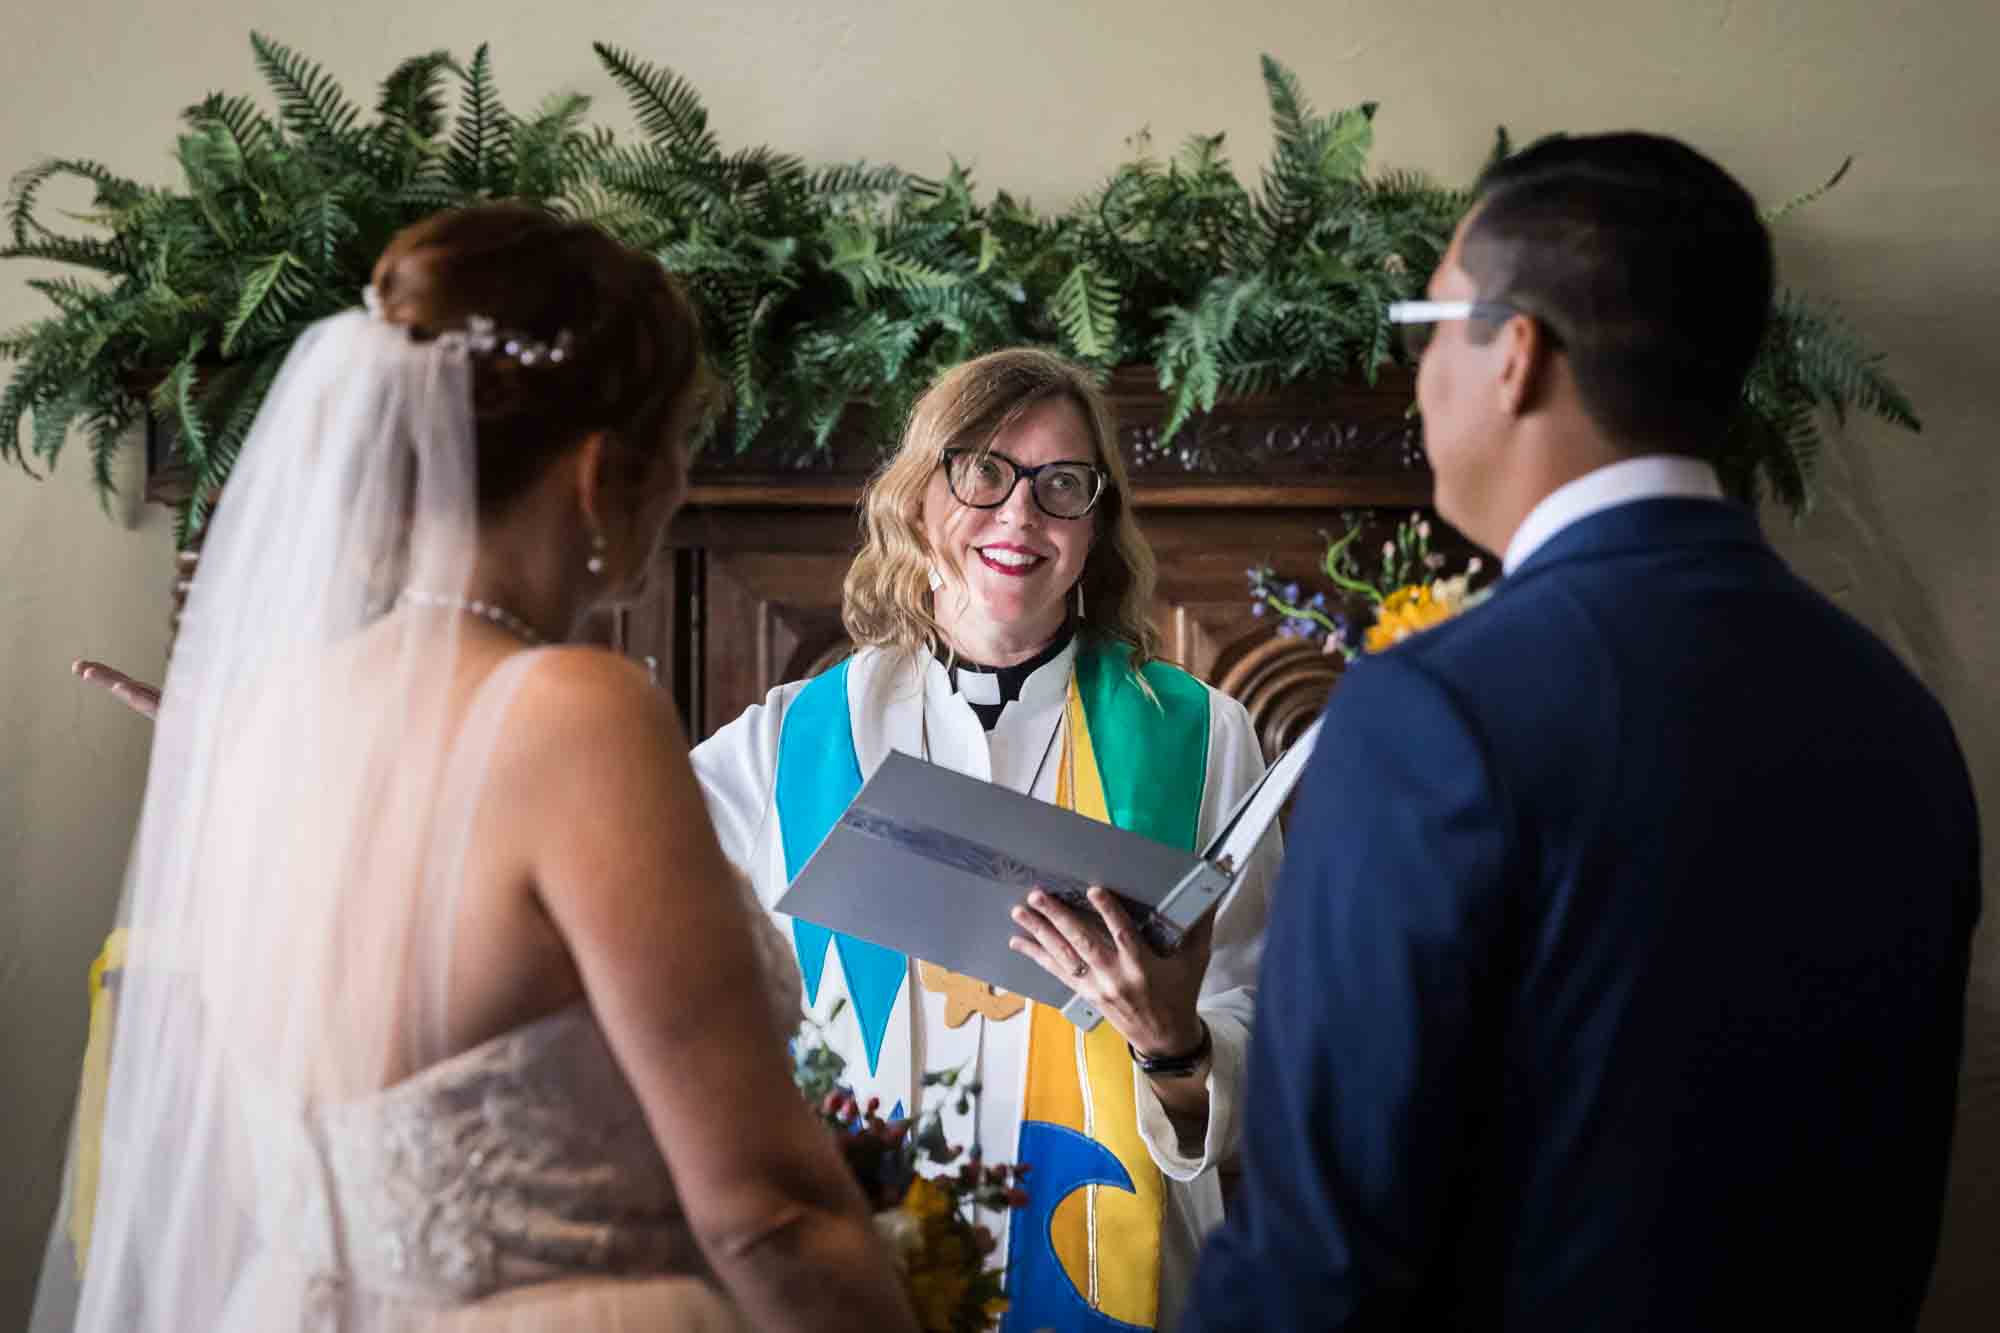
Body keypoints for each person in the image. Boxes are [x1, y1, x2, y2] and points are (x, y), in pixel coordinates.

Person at [39, 204, 917, 1332]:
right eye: (677, 449)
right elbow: (768, 1214)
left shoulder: (263, 720)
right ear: (602, 474)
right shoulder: (570, 715)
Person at [1182, 133, 1981, 1331]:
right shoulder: (1896, 711)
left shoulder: (1434, 713)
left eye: (1429, 323)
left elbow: (1315, 1265)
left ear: (1514, 354)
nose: (1415, 376)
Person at [690, 347, 1278, 1332]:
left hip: (1118, 1246)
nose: (1018, 515)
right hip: (854, 1251)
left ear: (1096, 525)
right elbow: (647, 963)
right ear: (920, 499)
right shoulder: (787, 740)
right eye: (981, 472)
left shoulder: (1199, 736)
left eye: (1060, 485)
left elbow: (1276, 1030)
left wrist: (1173, 1043)